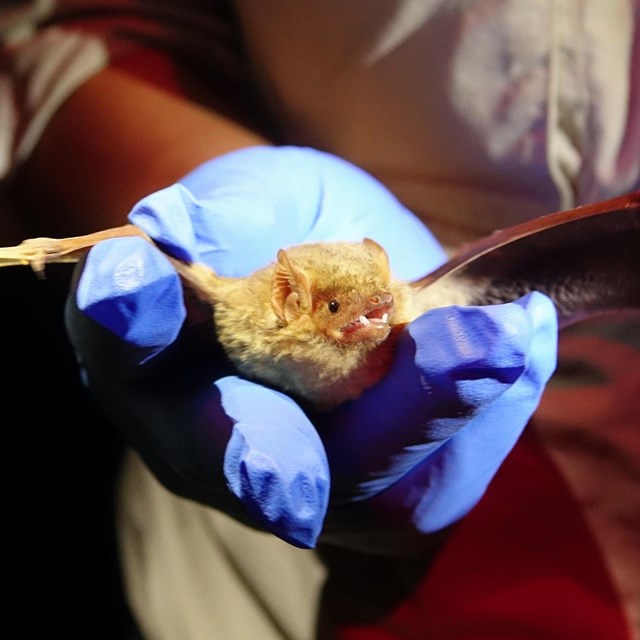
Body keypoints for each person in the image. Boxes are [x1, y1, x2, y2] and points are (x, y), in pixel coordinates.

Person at [1, 1, 639, 638]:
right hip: (260, 580)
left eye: (378, 302)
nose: (378, 317)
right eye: (341, 310)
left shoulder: (404, 306)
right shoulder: (236, 302)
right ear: (291, 302)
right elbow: (71, 29)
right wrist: (186, 195)